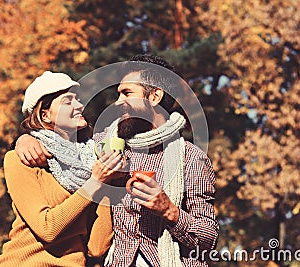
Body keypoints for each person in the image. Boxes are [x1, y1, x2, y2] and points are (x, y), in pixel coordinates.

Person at [15, 55, 219, 266]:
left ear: (155, 97)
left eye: (127, 93)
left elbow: (209, 239)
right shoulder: (104, 143)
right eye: (118, 93)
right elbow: (63, 144)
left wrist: (169, 210)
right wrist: (25, 139)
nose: (118, 102)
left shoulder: (191, 158)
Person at [0, 71, 125, 266]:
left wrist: (108, 183)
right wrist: (95, 183)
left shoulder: (90, 165)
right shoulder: (20, 159)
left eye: (78, 100)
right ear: (44, 115)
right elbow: (47, 229)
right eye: (68, 101)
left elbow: (96, 247)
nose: (80, 106)